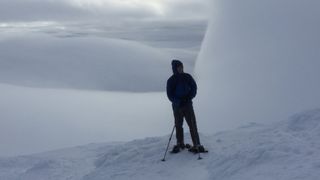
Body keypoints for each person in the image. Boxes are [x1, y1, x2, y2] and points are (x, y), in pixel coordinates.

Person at [166, 59, 205, 153]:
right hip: (177, 106)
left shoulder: (187, 77)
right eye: (179, 67)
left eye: (181, 67)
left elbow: (194, 88)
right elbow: (169, 95)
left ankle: (197, 144)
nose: (181, 69)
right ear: (175, 68)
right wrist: (178, 101)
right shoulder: (171, 80)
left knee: (192, 124)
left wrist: (188, 98)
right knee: (178, 125)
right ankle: (180, 143)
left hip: (188, 105)